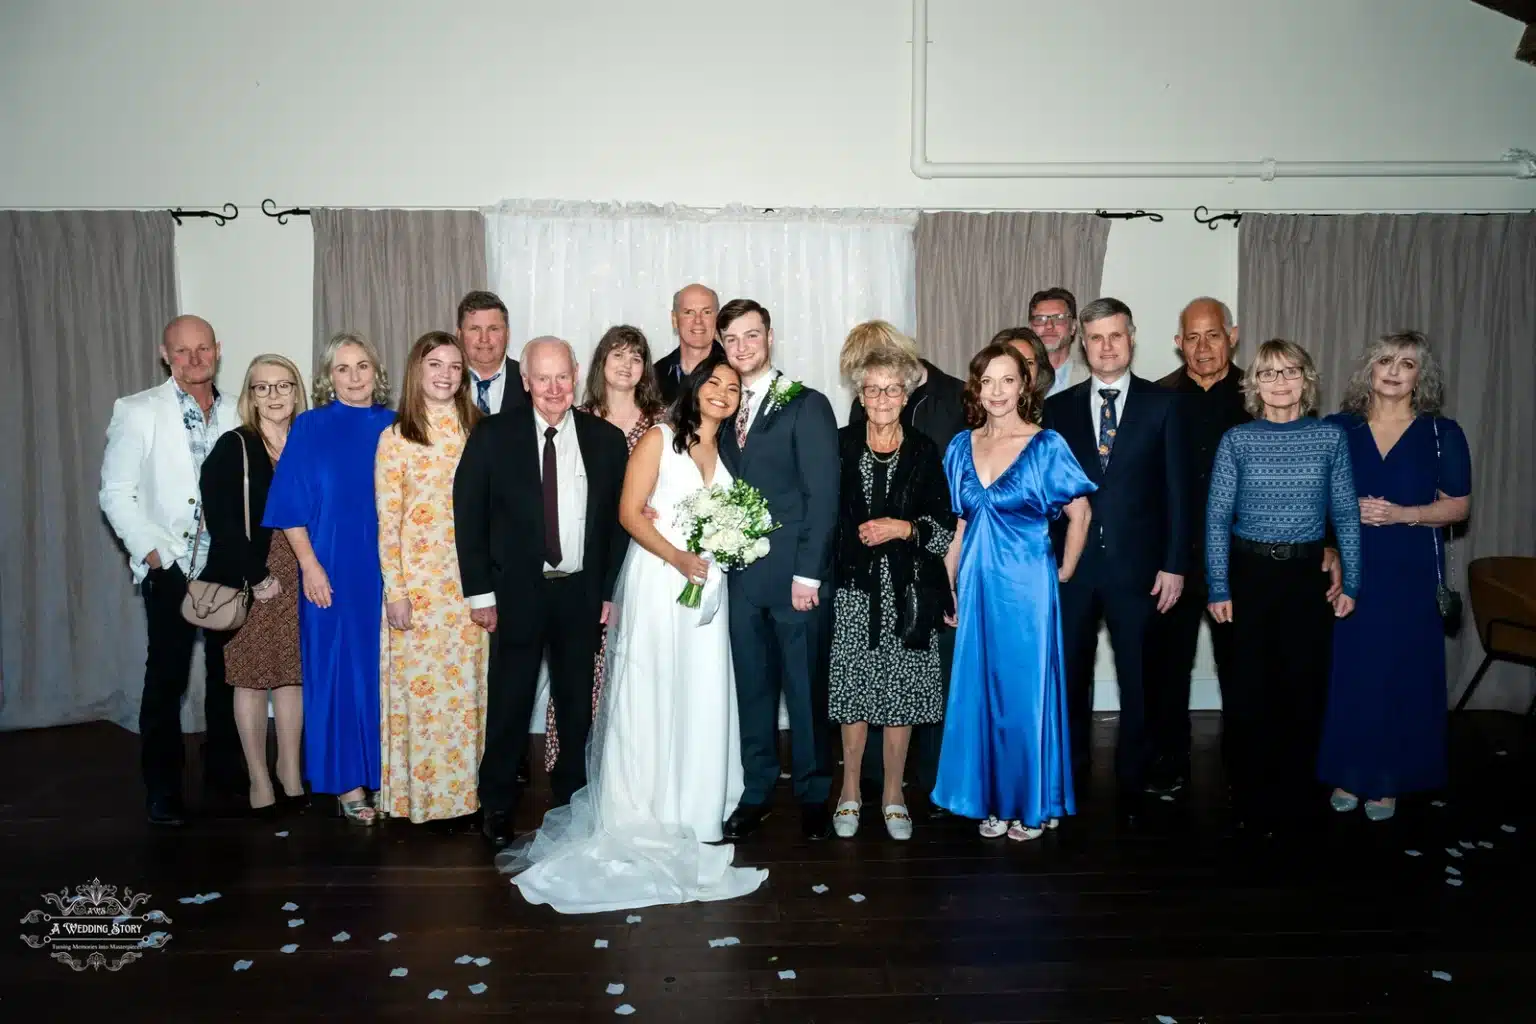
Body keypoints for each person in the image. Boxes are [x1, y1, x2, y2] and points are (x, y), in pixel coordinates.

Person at [495, 353, 769, 912]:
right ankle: (642, 806)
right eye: (712, 382)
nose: (722, 392)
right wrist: (678, 557)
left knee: (701, 690)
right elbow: (627, 513)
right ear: (692, 388)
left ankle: (693, 807)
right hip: (660, 581)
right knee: (654, 688)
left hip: (704, 590)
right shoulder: (659, 438)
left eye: (733, 388)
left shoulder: (727, 450)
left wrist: (726, 547)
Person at [453, 337, 630, 849]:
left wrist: (609, 590)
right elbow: (469, 517)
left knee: (577, 705)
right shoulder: (492, 435)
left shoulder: (605, 439)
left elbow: (617, 525)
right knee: (508, 702)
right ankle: (497, 804)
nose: (554, 388)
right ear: (525, 380)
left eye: (562, 377)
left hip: (580, 594)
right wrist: (479, 594)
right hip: (515, 594)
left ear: (575, 374)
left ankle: (571, 797)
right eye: (542, 378)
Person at [933, 342, 1095, 840]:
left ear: (1024, 385)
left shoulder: (1045, 445)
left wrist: (1063, 571)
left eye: (1008, 380)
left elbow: (1080, 512)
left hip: (1026, 587)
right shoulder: (961, 446)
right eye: (988, 381)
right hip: (978, 584)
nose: (997, 391)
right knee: (981, 693)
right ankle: (992, 800)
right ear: (976, 389)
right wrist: (949, 587)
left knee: (1025, 695)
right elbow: (957, 527)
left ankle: (1031, 800)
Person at [1206, 339, 1361, 834]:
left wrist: (1352, 580)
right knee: (1250, 691)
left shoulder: (1329, 439)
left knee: (1303, 688)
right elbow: (1216, 519)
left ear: (1306, 379)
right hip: (1249, 576)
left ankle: (1298, 793)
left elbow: (1347, 516)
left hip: (1304, 578)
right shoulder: (1237, 440)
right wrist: (1217, 585)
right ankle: (1250, 794)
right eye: (1268, 374)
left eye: (1289, 371)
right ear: (1254, 384)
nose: (1279, 382)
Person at [1041, 298, 1189, 817]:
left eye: (1116, 336)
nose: (1106, 346)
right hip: (1072, 569)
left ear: (1132, 338)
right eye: (1096, 338)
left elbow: (1177, 493)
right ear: (1084, 343)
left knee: (1138, 679)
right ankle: (1071, 774)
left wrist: (1174, 564)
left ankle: (1134, 778)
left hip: (1140, 570)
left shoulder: (1163, 404)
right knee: (1070, 675)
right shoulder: (1056, 409)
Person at [1318, 332, 1470, 821]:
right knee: (1352, 672)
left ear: (1419, 378)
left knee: (1400, 673)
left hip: (1408, 569)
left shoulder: (1441, 434)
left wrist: (1403, 514)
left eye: (1407, 363)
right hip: (1351, 566)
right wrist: (1333, 538)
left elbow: (1459, 506)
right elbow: (1311, 495)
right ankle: (1348, 770)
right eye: (1385, 360)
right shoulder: (1338, 427)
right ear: (1370, 368)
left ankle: (1389, 779)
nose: (1394, 370)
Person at [99, 314, 244, 825]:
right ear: (165, 355)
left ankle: (226, 775)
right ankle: (162, 788)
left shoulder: (236, 411)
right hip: (171, 566)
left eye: (202, 348)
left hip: (226, 566)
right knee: (166, 679)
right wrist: (155, 557)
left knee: (230, 677)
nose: (193, 359)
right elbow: (116, 493)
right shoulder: (138, 410)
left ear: (217, 350)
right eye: (181, 352)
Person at [716, 299, 840, 841]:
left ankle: (814, 794)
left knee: (806, 689)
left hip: (795, 577)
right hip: (741, 579)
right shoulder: (719, 408)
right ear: (723, 345)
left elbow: (824, 495)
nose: (743, 348)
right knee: (753, 688)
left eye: (752, 336)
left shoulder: (805, 403)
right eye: (733, 340)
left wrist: (809, 574)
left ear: (771, 335)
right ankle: (758, 788)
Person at [262, 331, 397, 825]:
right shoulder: (311, 428)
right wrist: (310, 566)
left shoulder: (397, 425)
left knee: (383, 677)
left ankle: (387, 777)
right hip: (332, 573)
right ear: (327, 379)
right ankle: (348, 784)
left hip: (388, 573)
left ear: (376, 373)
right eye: (343, 369)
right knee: (339, 676)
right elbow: (290, 508)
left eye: (363, 366)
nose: (355, 376)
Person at [828, 346, 956, 841]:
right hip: (853, 591)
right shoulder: (838, 446)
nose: (883, 398)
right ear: (861, 394)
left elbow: (943, 529)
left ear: (907, 395)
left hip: (908, 594)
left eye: (893, 388)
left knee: (901, 693)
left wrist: (903, 528)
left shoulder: (925, 450)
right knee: (855, 694)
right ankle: (851, 791)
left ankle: (894, 794)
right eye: (873, 388)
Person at [543, 325, 668, 775]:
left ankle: (630, 770)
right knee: (580, 669)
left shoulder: (660, 423)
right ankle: (572, 767)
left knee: (636, 665)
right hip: (586, 561)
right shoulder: (573, 417)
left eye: (636, 357)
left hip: (643, 558)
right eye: (618, 355)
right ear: (600, 363)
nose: (627, 364)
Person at [376, 332, 489, 827]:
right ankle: (419, 800)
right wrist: (395, 593)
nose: (445, 375)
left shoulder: (480, 430)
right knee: (421, 697)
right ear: (416, 372)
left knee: (466, 694)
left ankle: (464, 799)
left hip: (469, 586)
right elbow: (388, 521)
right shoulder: (396, 436)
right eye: (435, 365)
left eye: (455, 366)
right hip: (419, 590)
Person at [198, 354, 308, 816]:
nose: (274, 396)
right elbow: (221, 522)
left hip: (302, 572)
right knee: (249, 680)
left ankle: (289, 770)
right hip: (254, 576)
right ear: (250, 395)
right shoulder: (235, 446)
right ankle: (258, 779)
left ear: (296, 391)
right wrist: (257, 575)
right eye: (262, 388)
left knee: (291, 676)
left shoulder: (306, 442)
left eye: (283, 386)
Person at [654, 283, 727, 406]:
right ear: (674, 320)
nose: (698, 320)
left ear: (717, 318)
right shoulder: (654, 374)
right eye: (688, 312)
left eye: (707, 312)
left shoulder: (735, 370)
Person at [458, 290, 528, 416]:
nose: (484, 339)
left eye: (493, 329)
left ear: (507, 334)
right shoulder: (446, 382)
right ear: (459, 335)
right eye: (475, 329)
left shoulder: (530, 382)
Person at [1029, 287, 1080, 398]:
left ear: (1073, 327)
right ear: (1031, 327)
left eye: (1059, 318)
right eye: (1040, 319)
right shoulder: (1015, 377)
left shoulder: (1091, 380)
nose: (1049, 326)